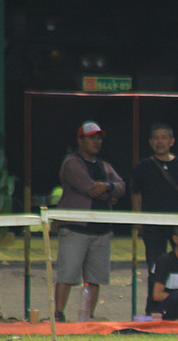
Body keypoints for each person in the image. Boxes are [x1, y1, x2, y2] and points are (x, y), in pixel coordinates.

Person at [53, 121, 126, 322]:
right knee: (67, 273)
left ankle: (87, 315)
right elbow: (88, 187)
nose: (97, 141)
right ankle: (58, 314)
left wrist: (108, 187)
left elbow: (121, 186)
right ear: (80, 140)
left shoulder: (104, 165)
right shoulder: (71, 163)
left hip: (101, 229)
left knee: (95, 277)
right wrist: (108, 192)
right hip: (75, 228)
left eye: (99, 137)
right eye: (92, 137)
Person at [130, 123, 178, 272]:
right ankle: (156, 293)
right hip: (152, 224)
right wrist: (139, 218)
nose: (160, 142)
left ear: (171, 141)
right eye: (156, 138)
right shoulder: (142, 167)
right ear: (150, 142)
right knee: (155, 264)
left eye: (164, 138)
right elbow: (136, 194)